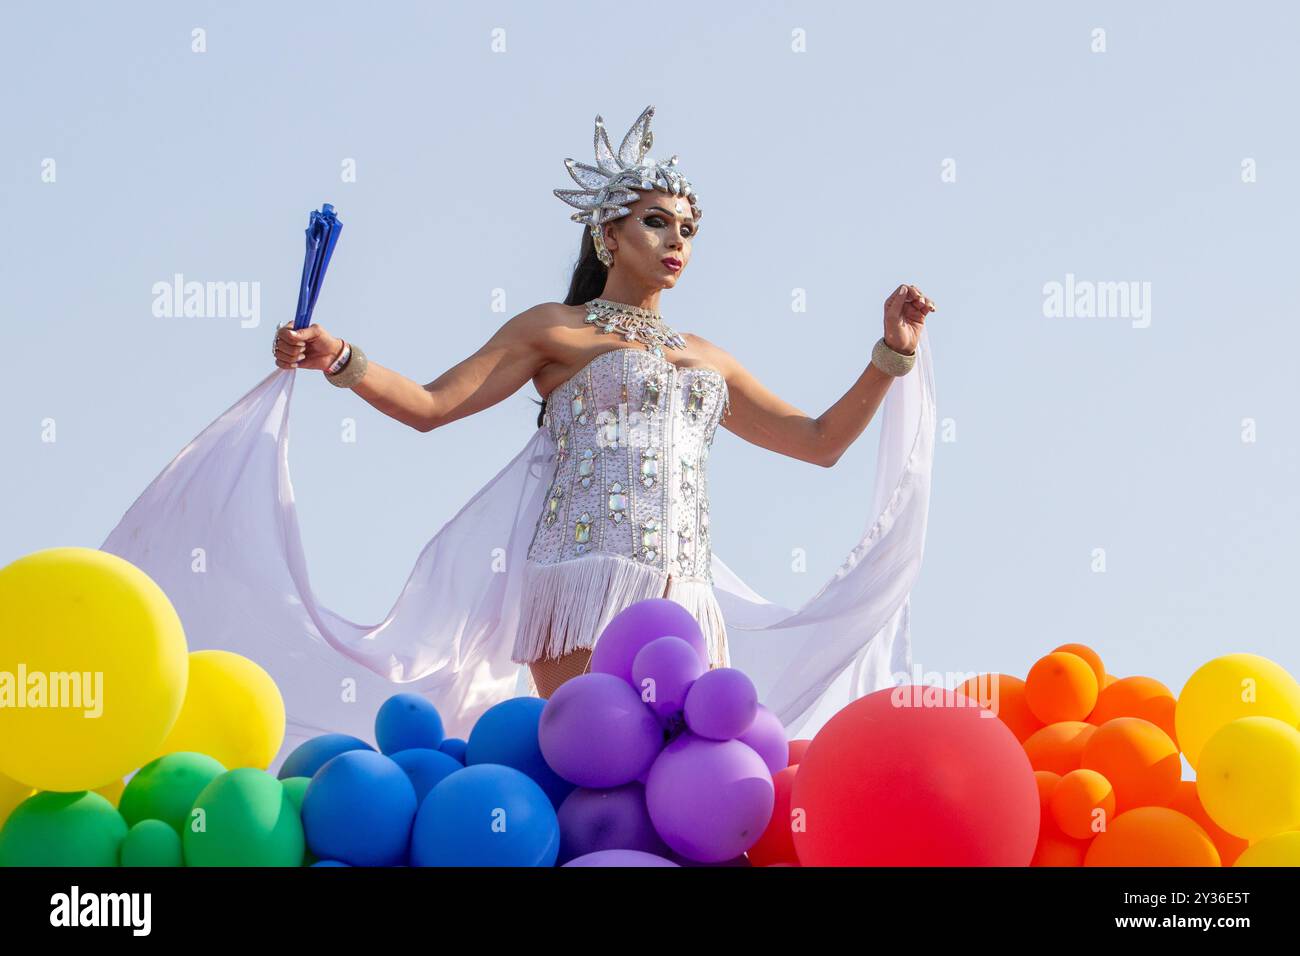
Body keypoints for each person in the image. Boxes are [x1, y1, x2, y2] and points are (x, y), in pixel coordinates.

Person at [104, 105, 938, 757]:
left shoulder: (708, 357)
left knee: (686, 777)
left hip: (685, 595)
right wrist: (339, 355)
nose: (677, 239)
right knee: (603, 759)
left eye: (687, 227)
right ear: (608, 232)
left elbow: (821, 441)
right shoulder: (556, 330)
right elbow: (431, 407)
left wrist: (889, 356)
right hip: (578, 582)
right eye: (656, 221)